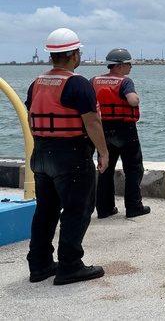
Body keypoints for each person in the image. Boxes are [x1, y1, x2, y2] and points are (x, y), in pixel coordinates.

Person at [25, 28, 109, 285]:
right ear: (74, 54)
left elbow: (31, 118)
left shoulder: (36, 83)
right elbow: (92, 121)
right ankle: (70, 265)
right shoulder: (77, 83)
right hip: (71, 154)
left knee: (46, 209)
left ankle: (39, 264)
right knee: (78, 209)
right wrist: (103, 152)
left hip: (41, 152)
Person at [92, 48, 149, 220]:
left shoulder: (93, 80)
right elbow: (132, 100)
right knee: (133, 169)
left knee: (105, 168)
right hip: (124, 129)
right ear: (120, 66)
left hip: (102, 128)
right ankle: (134, 206)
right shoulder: (125, 82)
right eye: (129, 64)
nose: (131, 67)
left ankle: (104, 208)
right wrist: (137, 99)